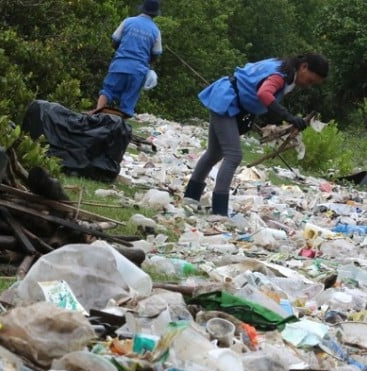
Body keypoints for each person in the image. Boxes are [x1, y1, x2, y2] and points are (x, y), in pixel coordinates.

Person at [182, 53, 329, 216]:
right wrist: (288, 116)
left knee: (214, 153)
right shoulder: (281, 75)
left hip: (229, 98)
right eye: (310, 80)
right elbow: (264, 93)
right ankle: (219, 211)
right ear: (304, 67)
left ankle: (191, 198)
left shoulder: (283, 67)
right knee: (233, 155)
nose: (308, 85)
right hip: (227, 99)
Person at [89, 0, 162, 117]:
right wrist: (148, 64)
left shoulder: (128, 21)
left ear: (142, 9)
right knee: (128, 102)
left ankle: (97, 115)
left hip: (119, 64)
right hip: (138, 70)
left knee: (107, 91)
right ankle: (119, 127)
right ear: (155, 14)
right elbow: (156, 54)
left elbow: (115, 41)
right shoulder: (156, 31)